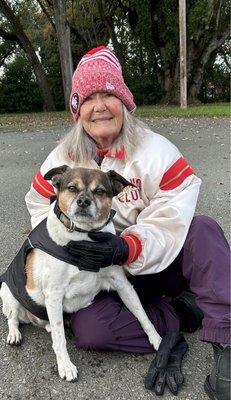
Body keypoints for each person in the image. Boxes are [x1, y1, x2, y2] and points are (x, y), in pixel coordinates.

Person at [25, 46, 230, 399]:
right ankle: (179, 314)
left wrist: (128, 245)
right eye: (89, 97)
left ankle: (226, 342)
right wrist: (70, 243)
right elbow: (38, 207)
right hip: (97, 274)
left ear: (124, 102)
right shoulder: (60, 160)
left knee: (203, 230)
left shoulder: (157, 151)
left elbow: (172, 212)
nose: (100, 105)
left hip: (157, 262)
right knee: (91, 333)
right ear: (78, 110)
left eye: (109, 94)